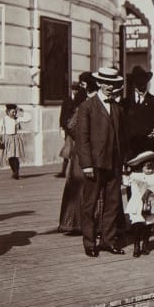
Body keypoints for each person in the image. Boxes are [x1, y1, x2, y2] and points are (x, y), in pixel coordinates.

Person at [74, 66, 128, 257]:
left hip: (113, 164)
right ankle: (89, 243)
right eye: (105, 83)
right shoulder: (87, 107)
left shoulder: (117, 108)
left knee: (113, 203)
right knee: (89, 204)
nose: (109, 87)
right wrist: (86, 164)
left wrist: (123, 163)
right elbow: (82, 138)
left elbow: (121, 137)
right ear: (98, 83)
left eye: (113, 83)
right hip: (95, 164)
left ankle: (108, 240)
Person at [58, 73, 98, 235]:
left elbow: (71, 125)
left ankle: (81, 223)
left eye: (83, 84)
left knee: (82, 186)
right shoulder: (84, 101)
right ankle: (78, 223)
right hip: (83, 151)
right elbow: (72, 126)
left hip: (84, 151)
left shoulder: (85, 100)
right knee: (81, 186)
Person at [122, 149, 154, 257]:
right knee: (136, 224)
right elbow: (126, 182)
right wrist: (125, 173)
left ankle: (145, 243)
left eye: (152, 167)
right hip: (136, 204)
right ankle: (136, 245)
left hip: (151, 205)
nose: (150, 170)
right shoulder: (135, 176)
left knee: (148, 225)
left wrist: (149, 190)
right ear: (141, 166)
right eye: (147, 167)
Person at [122, 65, 154, 157]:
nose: (141, 87)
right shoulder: (125, 103)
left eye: (144, 83)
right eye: (138, 84)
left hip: (150, 146)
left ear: (147, 83)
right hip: (130, 147)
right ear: (134, 83)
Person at [0, 103, 32, 180]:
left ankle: (16, 173)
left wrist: (22, 110)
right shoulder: (3, 120)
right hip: (6, 140)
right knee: (10, 157)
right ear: (7, 112)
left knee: (15, 157)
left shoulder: (17, 119)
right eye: (12, 112)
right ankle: (14, 171)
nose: (14, 113)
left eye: (15, 112)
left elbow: (28, 118)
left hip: (15, 139)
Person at [56, 83, 82, 177]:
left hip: (76, 128)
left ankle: (71, 171)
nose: (75, 91)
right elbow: (62, 113)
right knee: (68, 149)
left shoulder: (80, 100)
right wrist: (61, 126)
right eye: (73, 89)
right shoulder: (67, 100)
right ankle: (63, 171)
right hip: (68, 128)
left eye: (76, 89)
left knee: (72, 149)